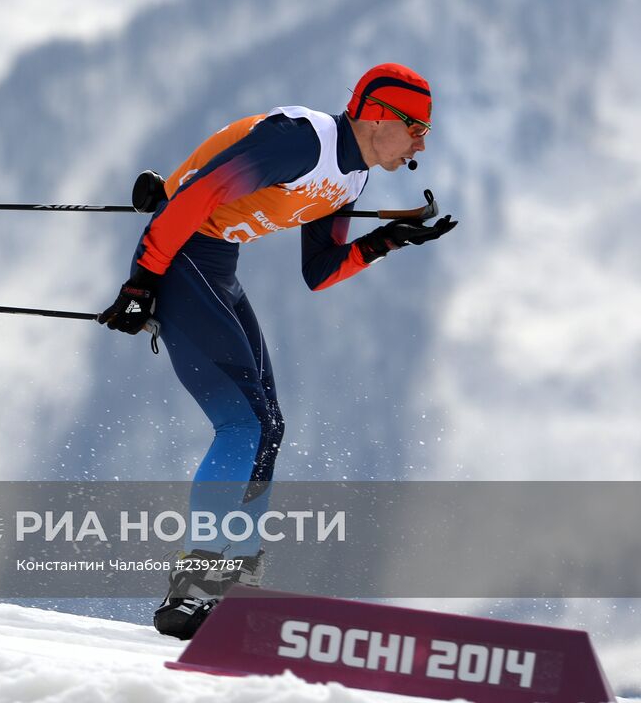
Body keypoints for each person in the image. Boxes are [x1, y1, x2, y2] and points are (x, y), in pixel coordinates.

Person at [97, 63, 457, 639]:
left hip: (214, 261)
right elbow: (196, 199)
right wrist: (141, 284)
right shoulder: (303, 141)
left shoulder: (353, 179)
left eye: (426, 133)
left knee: (269, 426)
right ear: (378, 113)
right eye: (416, 126)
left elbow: (319, 271)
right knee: (242, 424)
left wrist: (387, 240)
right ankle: (195, 592)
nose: (421, 142)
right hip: (183, 254)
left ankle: (236, 583)